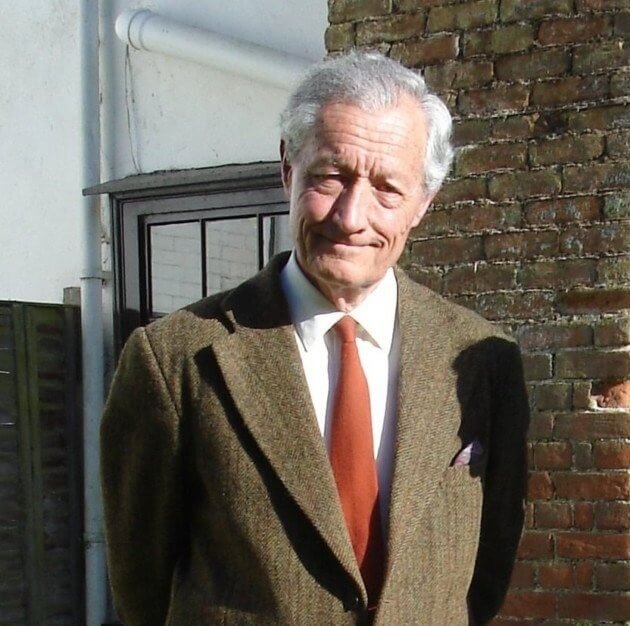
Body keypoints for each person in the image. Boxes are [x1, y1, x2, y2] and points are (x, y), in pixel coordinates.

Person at [101, 51, 529, 626]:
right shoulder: (174, 361)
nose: (353, 216)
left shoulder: (482, 361)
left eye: (387, 189)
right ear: (287, 168)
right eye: (331, 176)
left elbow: (487, 573)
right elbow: (141, 591)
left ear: (423, 204)